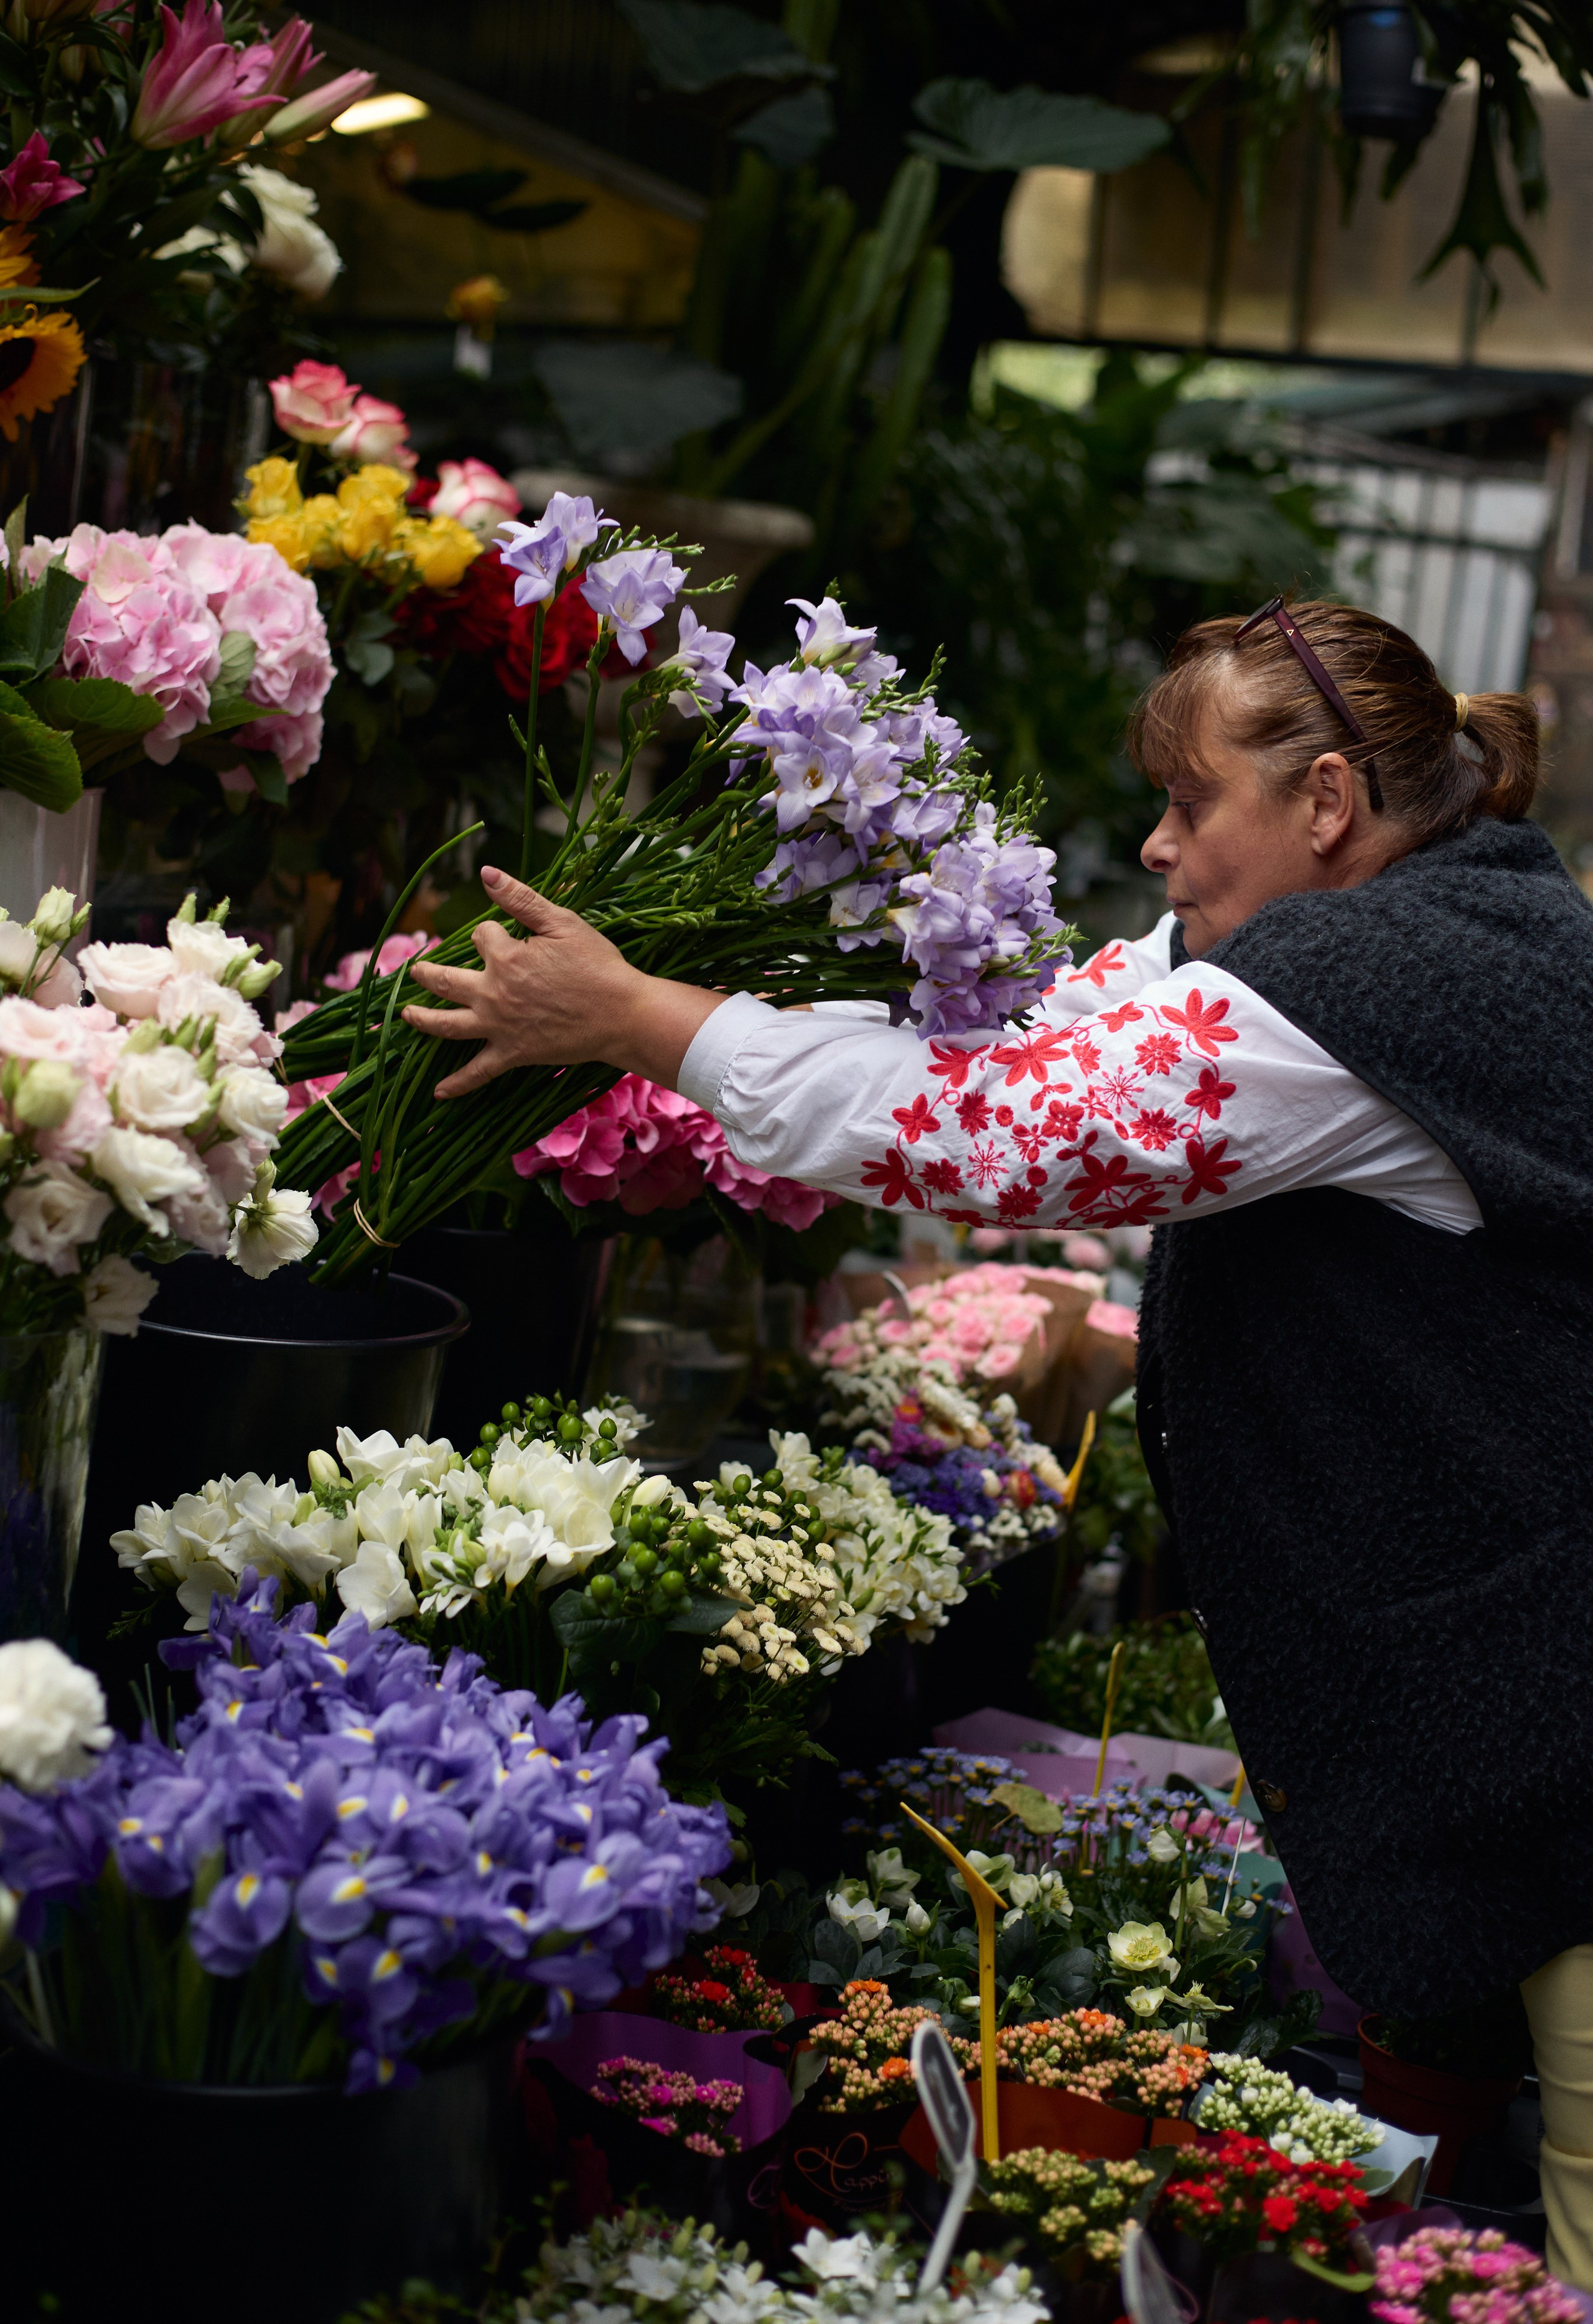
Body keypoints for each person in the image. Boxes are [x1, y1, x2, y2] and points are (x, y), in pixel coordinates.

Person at [407, 597, 1593, 2282]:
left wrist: (636, 1016)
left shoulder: (1362, 974)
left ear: (1327, 803)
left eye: (1192, 804)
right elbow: (1115, 1062)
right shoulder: (1461, 922)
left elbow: (996, 1132)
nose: (1156, 846)